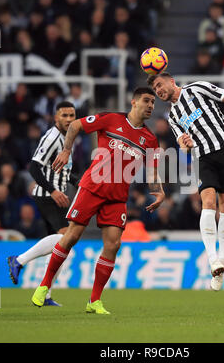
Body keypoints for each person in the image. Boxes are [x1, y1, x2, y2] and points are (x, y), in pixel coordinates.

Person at [31, 87, 165, 314]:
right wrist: (66, 151)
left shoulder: (150, 139)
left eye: (153, 102)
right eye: (146, 100)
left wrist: (159, 191)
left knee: (113, 244)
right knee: (71, 236)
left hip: (117, 197)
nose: (151, 105)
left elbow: (152, 172)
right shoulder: (111, 119)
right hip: (92, 187)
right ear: (133, 102)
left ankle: (94, 301)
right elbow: (75, 126)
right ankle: (44, 285)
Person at [147, 72, 224, 291]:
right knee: (208, 202)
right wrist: (185, 143)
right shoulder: (173, 116)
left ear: (171, 81)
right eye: (155, 89)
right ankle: (213, 261)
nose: (159, 90)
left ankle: (223, 262)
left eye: (159, 85)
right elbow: (182, 144)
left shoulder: (197, 88)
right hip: (203, 158)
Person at [7, 101, 79, 306]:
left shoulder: (68, 137)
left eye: (71, 115)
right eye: (64, 115)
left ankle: (45, 294)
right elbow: (34, 168)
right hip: (48, 195)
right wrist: (53, 190)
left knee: (60, 246)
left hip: (58, 194)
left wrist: (77, 181)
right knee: (66, 239)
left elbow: (61, 169)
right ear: (55, 118)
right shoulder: (52, 137)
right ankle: (18, 260)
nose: (68, 119)